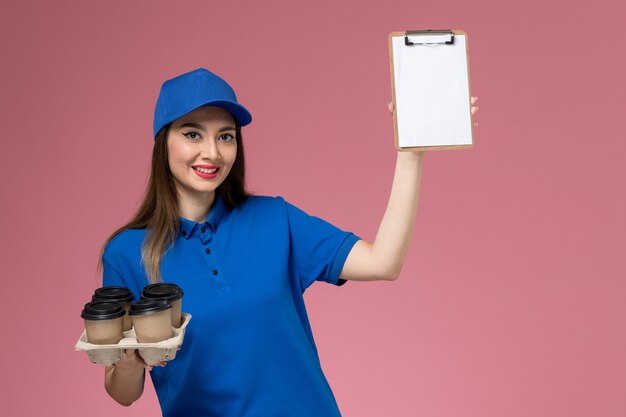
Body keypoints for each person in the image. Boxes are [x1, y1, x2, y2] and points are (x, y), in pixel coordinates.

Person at [96, 67, 478, 416]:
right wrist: (129, 361)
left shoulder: (275, 219)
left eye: (225, 136)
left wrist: (410, 155)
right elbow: (124, 393)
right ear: (164, 142)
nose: (211, 152)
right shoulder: (127, 253)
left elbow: (384, 262)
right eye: (192, 133)